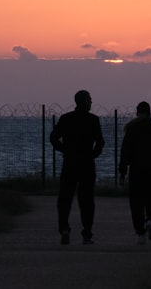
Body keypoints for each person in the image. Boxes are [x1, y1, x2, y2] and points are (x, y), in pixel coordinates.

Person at [50, 89, 105, 244]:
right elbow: (100, 141)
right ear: (85, 101)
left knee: (65, 199)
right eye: (90, 99)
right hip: (86, 163)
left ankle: (64, 229)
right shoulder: (93, 120)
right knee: (87, 200)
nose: (91, 102)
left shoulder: (66, 119)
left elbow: (53, 137)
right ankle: (87, 232)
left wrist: (64, 150)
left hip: (70, 162)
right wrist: (94, 154)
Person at [118, 101, 151, 244]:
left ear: (137, 113)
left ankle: (141, 234)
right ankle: (150, 221)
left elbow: (125, 153)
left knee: (136, 203)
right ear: (150, 113)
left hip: (136, 172)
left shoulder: (131, 130)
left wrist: (122, 172)